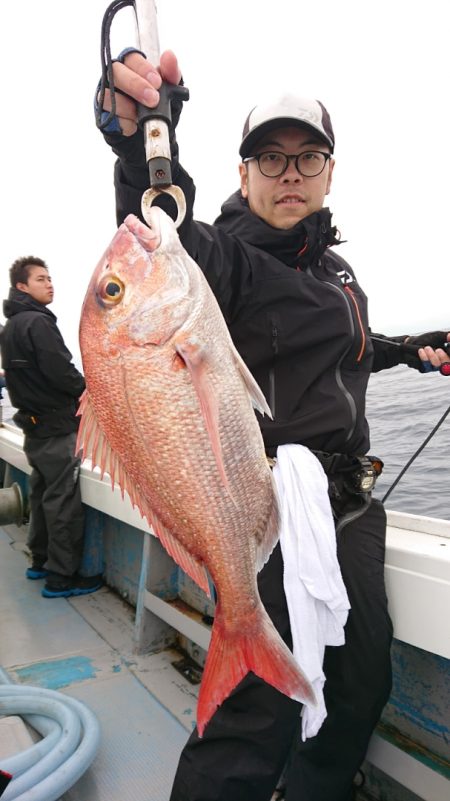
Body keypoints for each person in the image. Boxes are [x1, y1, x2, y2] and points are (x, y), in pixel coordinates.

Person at [96, 51, 450, 801]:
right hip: (268, 499)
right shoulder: (224, 260)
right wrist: (141, 145)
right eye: (270, 158)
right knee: (256, 712)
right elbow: (166, 227)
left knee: (362, 680)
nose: (290, 173)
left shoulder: (337, 274)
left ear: (329, 172)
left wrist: (412, 350)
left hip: (351, 503)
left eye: (307, 157)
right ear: (245, 172)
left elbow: (349, 344)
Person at [0, 256, 102, 599]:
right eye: (41, 279)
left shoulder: (12, 326)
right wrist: (91, 390)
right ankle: (61, 577)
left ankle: (40, 561)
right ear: (22, 286)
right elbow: (61, 371)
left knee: (43, 494)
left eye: (50, 278)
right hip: (56, 428)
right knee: (62, 503)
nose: (50, 284)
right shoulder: (39, 323)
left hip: (34, 428)